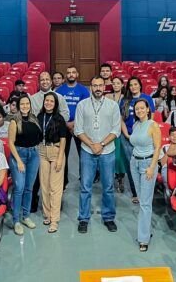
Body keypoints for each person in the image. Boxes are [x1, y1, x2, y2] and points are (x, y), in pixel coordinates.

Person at [75, 75, 121, 234]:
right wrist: (92, 145)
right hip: (87, 151)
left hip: (107, 151)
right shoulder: (82, 105)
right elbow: (78, 130)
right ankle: (83, 218)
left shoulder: (113, 106)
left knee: (108, 187)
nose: (98, 88)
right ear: (90, 88)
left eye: (100, 85)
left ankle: (108, 217)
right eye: (95, 85)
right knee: (85, 187)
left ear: (104, 87)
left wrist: (100, 144)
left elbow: (116, 130)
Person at [128, 98, 161, 251]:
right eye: (137, 109)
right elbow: (132, 141)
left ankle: (143, 239)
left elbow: (158, 147)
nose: (139, 110)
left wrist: (152, 167)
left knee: (145, 203)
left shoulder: (153, 125)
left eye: (142, 108)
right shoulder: (136, 125)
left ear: (148, 109)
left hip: (147, 165)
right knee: (142, 199)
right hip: (134, 162)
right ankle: (146, 231)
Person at [7, 95, 42, 235]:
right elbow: (10, 142)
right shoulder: (15, 121)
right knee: (19, 188)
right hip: (19, 155)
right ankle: (16, 220)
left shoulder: (34, 118)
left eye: (27, 103)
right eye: (22, 104)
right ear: (18, 105)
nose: (25, 106)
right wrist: (19, 161)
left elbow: (38, 137)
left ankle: (25, 216)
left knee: (29, 188)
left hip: (33, 155)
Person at [35, 92, 67, 233]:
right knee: (45, 186)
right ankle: (47, 214)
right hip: (42, 151)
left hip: (55, 151)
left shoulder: (59, 119)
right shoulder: (39, 117)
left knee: (55, 188)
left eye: (51, 101)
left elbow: (63, 139)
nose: (48, 103)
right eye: (46, 100)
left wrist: (60, 158)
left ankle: (54, 220)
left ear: (55, 104)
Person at [56, 66, 90, 183]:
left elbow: (86, 109)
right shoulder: (59, 91)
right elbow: (56, 110)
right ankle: (63, 180)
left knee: (83, 153)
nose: (71, 74)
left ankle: (84, 178)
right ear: (66, 75)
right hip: (63, 126)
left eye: (73, 72)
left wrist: (74, 123)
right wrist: (66, 123)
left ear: (77, 74)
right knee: (63, 153)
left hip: (79, 126)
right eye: (69, 72)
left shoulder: (84, 90)